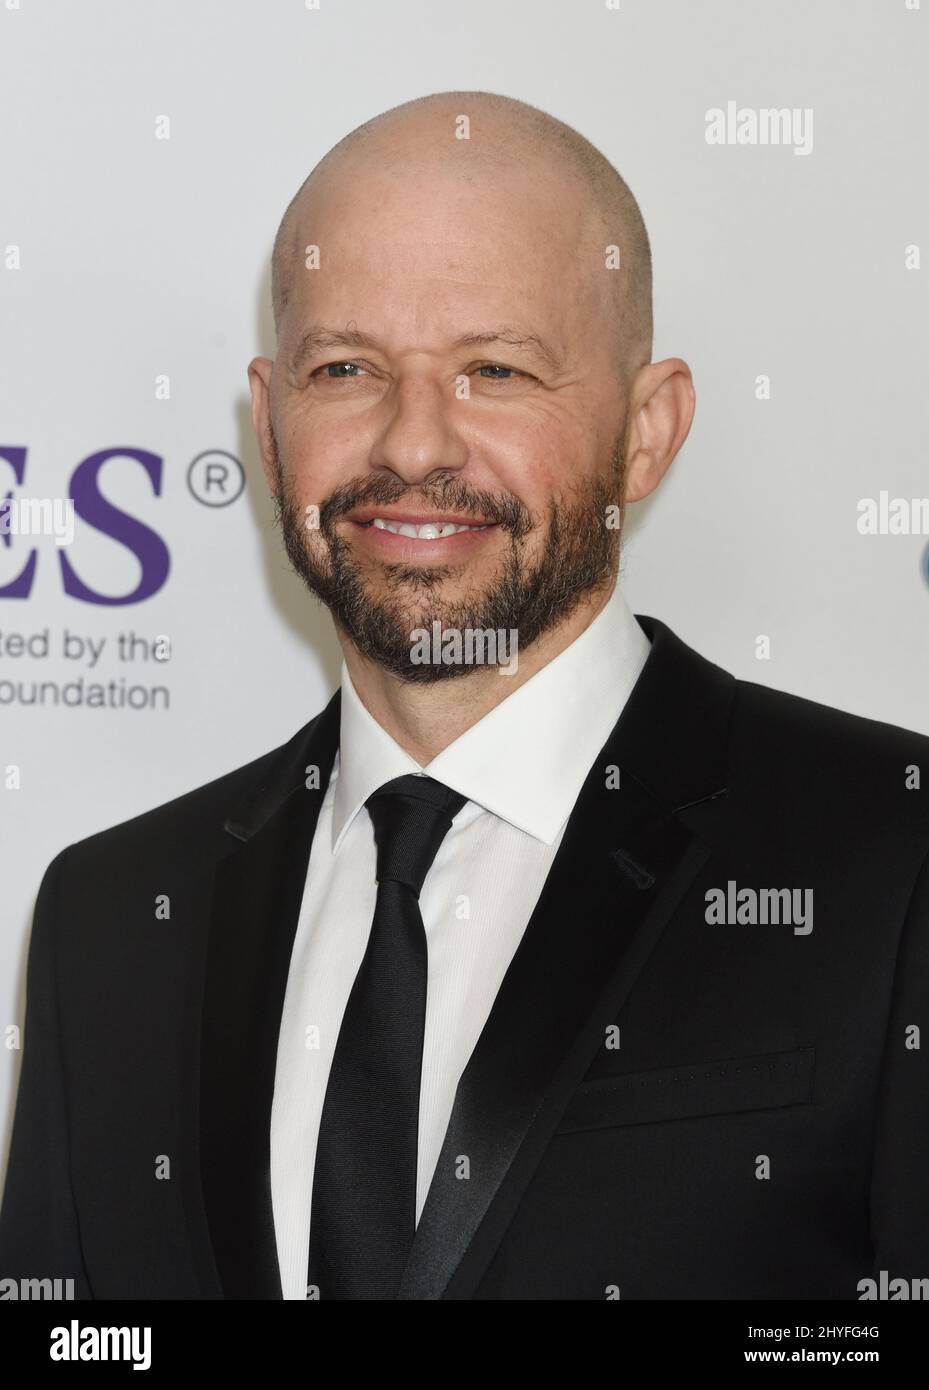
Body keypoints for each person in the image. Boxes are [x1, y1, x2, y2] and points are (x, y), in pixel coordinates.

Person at [1, 90, 927, 1302]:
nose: (414, 443)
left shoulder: (889, 856)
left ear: (646, 433)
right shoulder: (113, 918)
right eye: (345, 367)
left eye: (494, 368)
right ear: (271, 428)